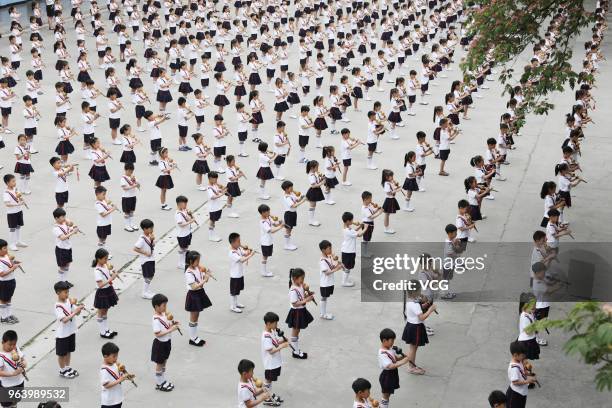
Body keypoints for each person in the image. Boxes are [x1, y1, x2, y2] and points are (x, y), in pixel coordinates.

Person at [401, 282, 436, 375]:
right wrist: (430, 310)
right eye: (419, 290)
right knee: (413, 349)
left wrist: (426, 303)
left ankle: (411, 365)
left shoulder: (411, 301)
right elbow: (422, 317)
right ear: (414, 292)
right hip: (415, 328)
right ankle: (411, 367)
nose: (421, 292)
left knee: (413, 348)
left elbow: (419, 308)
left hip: (411, 326)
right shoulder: (415, 304)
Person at [54, 281, 83, 378]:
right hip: (62, 334)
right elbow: (64, 320)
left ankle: (67, 367)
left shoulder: (68, 302)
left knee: (69, 351)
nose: (67, 294)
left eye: (68, 292)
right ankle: (62, 370)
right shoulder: (57, 306)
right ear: (58, 293)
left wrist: (79, 308)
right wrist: (75, 312)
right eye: (65, 292)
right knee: (62, 354)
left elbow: (77, 313)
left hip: (70, 332)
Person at [184, 250, 212, 347]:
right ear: (191, 261)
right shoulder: (188, 273)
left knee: (196, 316)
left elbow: (202, 280)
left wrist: (206, 275)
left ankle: (195, 337)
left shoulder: (197, 268)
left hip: (199, 293)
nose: (199, 263)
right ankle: (192, 338)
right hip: (193, 295)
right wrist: (204, 279)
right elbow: (194, 286)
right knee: (193, 317)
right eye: (197, 261)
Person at [151, 293, 179, 392]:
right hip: (160, 344)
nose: (165, 307)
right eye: (164, 305)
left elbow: (166, 325)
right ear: (156, 306)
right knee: (160, 363)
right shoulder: (155, 319)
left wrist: (172, 324)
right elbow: (157, 334)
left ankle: (162, 380)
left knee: (164, 361)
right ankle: (159, 383)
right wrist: (171, 330)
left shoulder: (163, 314)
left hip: (167, 342)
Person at [286, 268, 315, 359]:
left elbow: (301, 297)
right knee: (295, 331)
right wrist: (306, 300)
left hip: (301, 311)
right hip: (296, 312)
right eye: (302, 278)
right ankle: (295, 351)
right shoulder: (293, 290)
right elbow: (294, 303)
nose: (303, 280)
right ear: (295, 278)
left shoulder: (300, 286)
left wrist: (307, 293)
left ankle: (296, 349)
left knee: (297, 330)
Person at [261, 312, 289, 406]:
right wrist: (283, 346)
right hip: (270, 363)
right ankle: (267, 398)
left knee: (270, 380)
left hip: (274, 362)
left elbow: (275, 342)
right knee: (268, 380)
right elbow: (271, 351)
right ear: (269, 323)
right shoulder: (266, 337)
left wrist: (282, 341)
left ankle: (269, 395)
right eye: (275, 323)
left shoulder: (271, 331)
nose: (277, 325)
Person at [378, 328, 411, 408]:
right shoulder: (382, 353)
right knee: (386, 395)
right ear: (384, 340)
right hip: (387, 376)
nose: (393, 343)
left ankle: (384, 405)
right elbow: (390, 366)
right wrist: (403, 362)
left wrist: (403, 357)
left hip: (392, 374)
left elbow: (394, 359)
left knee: (388, 394)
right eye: (391, 341)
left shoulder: (390, 349)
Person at [92, 248, 119, 339]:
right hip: (102, 291)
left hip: (108, 289)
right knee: (101, 311)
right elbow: (100, 284)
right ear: (98, 259)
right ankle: (102, 332)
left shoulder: (105, 266)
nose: (106, 260)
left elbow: (108, 276)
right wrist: (111, 278)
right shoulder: (97, 271)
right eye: (105, 259)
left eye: (107, 258)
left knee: (106, 310)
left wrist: (113, 272)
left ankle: (106, 329)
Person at [228, 232, 256, 313]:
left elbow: (244, 253)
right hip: (235, 275)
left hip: (240, 274)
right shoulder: (232, 253)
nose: (240, 243)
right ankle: (232, 306)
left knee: (237, 291)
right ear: (233, 242)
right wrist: (251, 255)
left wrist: (249, 251)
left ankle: (236, 303)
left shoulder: (238, 249)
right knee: (233, 292)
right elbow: (242, 260)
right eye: (238, 241)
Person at [53, 208, 80, 284]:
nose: (64, 218)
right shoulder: (56, 228)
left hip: (68, 247)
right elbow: (62, 238)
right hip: (61, 249)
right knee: (62, 266)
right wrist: (73, 232)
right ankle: (61, 282)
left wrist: (74, 228)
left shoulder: (64, 224)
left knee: (67, 264)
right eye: (62, 217)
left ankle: (65, 280)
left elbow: (70, 229)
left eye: (65, 216)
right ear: (56, 218)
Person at [506, 341, 537, 408]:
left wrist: (529, 374)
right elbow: (515, 382)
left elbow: (522, 371)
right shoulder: (514, 368)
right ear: (515, 355)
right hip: (515, 394)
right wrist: (528, 381)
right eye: (522, 355)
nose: (524, 357)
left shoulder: (519, 361)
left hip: (522, 392)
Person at [258, 204, 285, 277]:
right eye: (268, 212)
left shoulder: (268, 217)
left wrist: (279, 222)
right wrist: (281, 226)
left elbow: (274, 224)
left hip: (269, 240)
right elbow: (271, 231)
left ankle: (264, 271)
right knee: (265, 256)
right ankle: (263, 272)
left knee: (266, 255)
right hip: (265, 242)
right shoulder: (263, 222)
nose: (269, 213)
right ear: (263, 213)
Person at [0, 330, 26, 404]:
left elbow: (24, 360)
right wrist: (13, 373)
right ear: (3, 343)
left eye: (14, 344)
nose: (12, 347)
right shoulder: (1, 355)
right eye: (10, 344)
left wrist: (24, 364)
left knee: (15, 402)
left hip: (19, 382)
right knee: (7, 405)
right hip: (7, 386)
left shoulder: (16, 349)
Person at [133, 219, 156, 299]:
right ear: (145, 229)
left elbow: (152, 246)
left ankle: (147, 290)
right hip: (146, 260)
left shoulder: (149, 236)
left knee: (150, 275)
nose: (152, 230)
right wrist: (145, 253)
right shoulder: (142, 239)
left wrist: (152, 240)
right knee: (148, 276)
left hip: (151, 259)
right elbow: (135, 248)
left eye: (152, 228)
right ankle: (144, 292)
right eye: (150, 228)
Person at [100, 342, 127, 408]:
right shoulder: (104, 370)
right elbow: (106, 385)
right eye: (114, 356)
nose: (116, 358)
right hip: (109, 402)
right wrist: (120, 380)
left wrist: (122, 372)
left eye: (117, 355)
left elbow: (117, 375)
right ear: (105, 356)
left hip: (117, 398)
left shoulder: (114, 364)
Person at [3, 174, 26, 251]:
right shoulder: (6, 193)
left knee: (18, 227)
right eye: (13, 181)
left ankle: (18, 241)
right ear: (7, 183)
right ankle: (11, 244)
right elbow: (7, 204)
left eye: (15, 181)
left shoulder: (15, 189)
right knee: (12, 228)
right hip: (12, 213)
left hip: (19, 211)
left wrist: (21, 199)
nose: (15, 182)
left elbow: (19, 197)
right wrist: (18, 204)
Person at [0, 239, 20, 324]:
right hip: (4, 282)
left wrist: (13, 262)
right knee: (3, 299)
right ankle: (4, 318)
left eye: (6, 247)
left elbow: (8, 263)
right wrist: (13, 268)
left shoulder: (5, 256)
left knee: (9, 298)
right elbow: (2, 274)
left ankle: (9, 315)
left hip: (11, 280)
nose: (6, 249)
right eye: (4, 248)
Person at [120, 163, 140, 232]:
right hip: (126, 197)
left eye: (132, 171)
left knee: (132, 211)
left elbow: (138, 186)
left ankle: (132, 224)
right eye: (129, 171)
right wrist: (133, 186)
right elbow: (125, 188)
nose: (130, 173)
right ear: (125, 170)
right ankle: (127, 225)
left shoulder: (133, 177)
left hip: (133, 196)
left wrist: (134, 180)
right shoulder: (123, 178)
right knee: (126, 212)